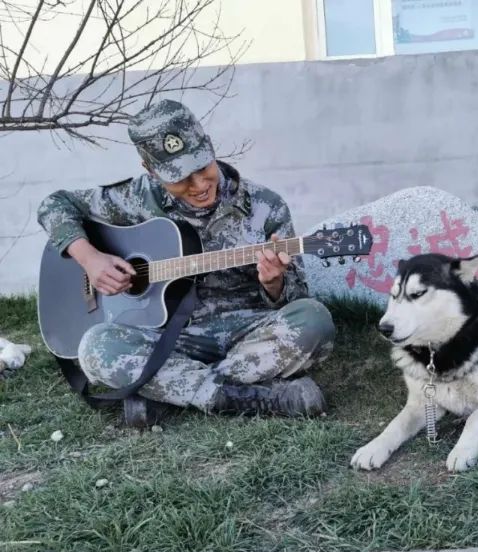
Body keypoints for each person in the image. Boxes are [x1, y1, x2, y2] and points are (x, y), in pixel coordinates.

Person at [38, 100, 335, 421]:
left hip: (248, 332)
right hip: (169, 339)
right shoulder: (136, 198)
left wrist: (274, 282)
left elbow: (298, 297)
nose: (199, 185)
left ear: (209, 147)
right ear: (150, 171)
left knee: (314, 321)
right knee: (95, 348)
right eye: (180, 177)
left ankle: (170, 390)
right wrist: (90, 258)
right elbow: (54, 205)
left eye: (202, 167)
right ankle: (244, 397)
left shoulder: (265, 206)